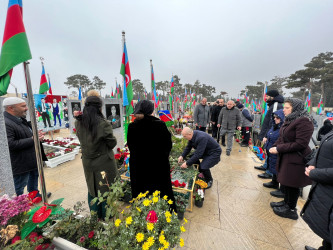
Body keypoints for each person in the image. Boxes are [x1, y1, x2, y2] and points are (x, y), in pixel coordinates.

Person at [269, 98, 314, 220]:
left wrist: (279, 149)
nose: (283, 110)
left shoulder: (304, 121)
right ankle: (286, 203)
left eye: (287, 108)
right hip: (287, 156)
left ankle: (291, 209)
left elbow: (301, 143)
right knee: (287, 181)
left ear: (295, 108)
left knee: (293, 183)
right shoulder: (290, 119)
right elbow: (282, 137)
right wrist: (275, 146)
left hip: (297, 158)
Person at [75, 95, 119, 219]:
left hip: (88, 161)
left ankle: (95, 214)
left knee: (92, 188)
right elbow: (112, 143)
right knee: (105, 188)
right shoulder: (103, 124)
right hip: (103, 161)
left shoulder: (78, 122)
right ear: (99, 108)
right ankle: (106, 215)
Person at [127, 100, 176, 210]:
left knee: (142, 192)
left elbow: (131, 146)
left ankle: (142, 212)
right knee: (160, 192)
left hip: (139, 166)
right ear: (150, 110)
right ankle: (162, 214)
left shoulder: (132, 126)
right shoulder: (159, 125)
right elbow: (168, 146)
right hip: (157, 166)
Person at [3, 97, 51, 198]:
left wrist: (36, 135)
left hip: (31, 159)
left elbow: (25, 135)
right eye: (23, 106)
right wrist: (33, 139)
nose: (26, 108)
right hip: (21, 164)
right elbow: (10, 144)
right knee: (19, 187)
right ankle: (19, 209)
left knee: (33, 178)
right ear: (11, 108)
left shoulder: (18, 119)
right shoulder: (5, 123)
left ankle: (34, 196)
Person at [301, 131, 333, 250]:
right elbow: (322, 150)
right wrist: (313, 163)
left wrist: (315, 173)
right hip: (327, 192)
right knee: (328, 229)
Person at [255, 90, 284, 182]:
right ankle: (266, 166)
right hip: (270, 132)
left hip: (272, 132)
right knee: (267, 150)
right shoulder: (272, 104)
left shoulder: (276, 105)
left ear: (272, 97)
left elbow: (274, 121)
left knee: (270, 151)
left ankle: (269, 172)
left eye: (267, 96)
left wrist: (267, 134)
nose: (266, 98)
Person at [262, 109, 284, 189]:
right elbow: (269, 138)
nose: (275, 119)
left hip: (276, 151)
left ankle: (277, 184)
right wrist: (265, 147)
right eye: (274, 117)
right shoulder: (274, 127)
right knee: (272, 165)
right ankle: (273, 182)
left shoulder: (282, 129)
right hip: (271, 150)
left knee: (276, 167)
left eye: (277, 117)